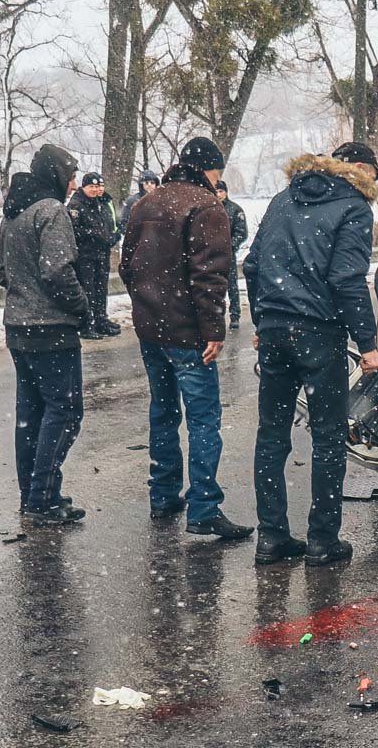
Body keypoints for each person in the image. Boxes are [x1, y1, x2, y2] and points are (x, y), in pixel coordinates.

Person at [244, 141, 378, 567]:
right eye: (373, 173)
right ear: (357, 168)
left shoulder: (282, 199)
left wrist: (263, 320)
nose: (374, 181)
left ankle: (271, 538)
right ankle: (323, 541)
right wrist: (368, 344)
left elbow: (252, 265)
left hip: (274, 330)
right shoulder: (354, 207)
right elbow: (347, 280)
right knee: (328, 438)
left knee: (272, 436)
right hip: (319, 333)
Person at [119, 136, 254, 540]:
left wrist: (147, 306)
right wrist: (213, 329)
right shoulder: (206, 205)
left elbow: (127, 266)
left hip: (151, 330)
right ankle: (204, 507)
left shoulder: (146, 203)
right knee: (203, 419)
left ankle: (163, 495)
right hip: (188, 333)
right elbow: (210, 275)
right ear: (210, 169)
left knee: (163, 413)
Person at [0, 143, 88, 524]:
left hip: (18, 328)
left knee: (31, 416)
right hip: (52, 330)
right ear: (55, 174)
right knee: (66, 412)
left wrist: (25, 293)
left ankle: (34, 495)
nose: (73, 184)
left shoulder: (13, 212)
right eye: (71, 176)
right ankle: (42, 500)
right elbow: (57, 271)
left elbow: (2, 272)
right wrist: (81, 307)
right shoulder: (51, 211)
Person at [68, 172, 120, 339]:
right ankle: (87, 324)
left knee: (101, 289)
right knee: (88, 290)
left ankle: (100, 320)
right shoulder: (76, 205)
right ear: (84, 187)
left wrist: (112, 236)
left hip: (102, 253)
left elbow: (110, 224)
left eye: (98, 186)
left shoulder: (101, 202)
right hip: (85, 255)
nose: (95, 190)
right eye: (92, 186)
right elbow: (74, 230)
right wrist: (93, 234)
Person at [215, 180, 249, 330]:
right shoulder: (208, 209)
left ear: (226, 192)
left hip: (228, 254)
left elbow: (241, 232)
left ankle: (235, 315)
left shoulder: (235, 209)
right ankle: (216, 315)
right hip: (211, 255)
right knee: (213, 287)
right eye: (216, 191)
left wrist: (229, 246)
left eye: (221, 191)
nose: (218, 194)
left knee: (232, 286)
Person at [117, 169, 160, 241]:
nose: (149, 185)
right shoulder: (132, 200)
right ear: (141, 184)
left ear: (156, 184)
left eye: (152, 182)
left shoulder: (161, 200)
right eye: (146, 182)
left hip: (157, 239)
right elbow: (123, 222)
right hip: (137, 239)